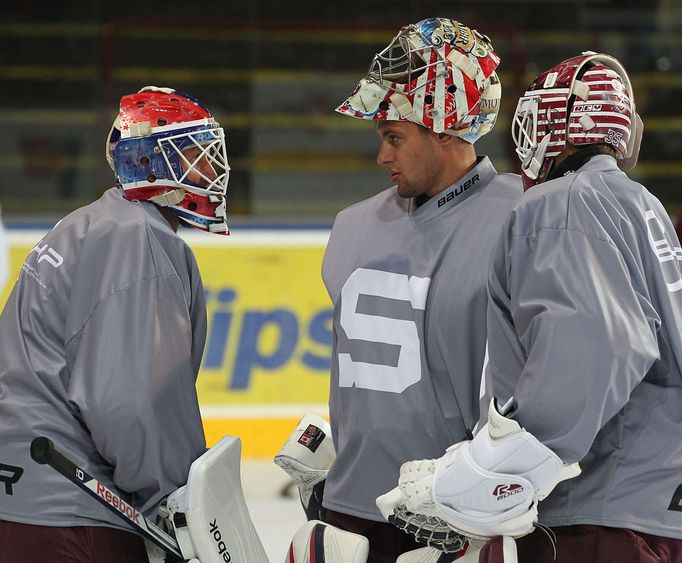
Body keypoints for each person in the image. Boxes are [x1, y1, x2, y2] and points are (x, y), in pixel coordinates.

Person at [383, 52, 682, 563]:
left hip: (601, 512)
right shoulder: (641, 204)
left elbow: (599, 345)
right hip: (657, 505)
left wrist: (496, 473)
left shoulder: (563, 201)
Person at [317, 17, 523, 563]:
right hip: (349, 514)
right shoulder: (351, 227)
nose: (382, 156)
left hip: (462, 520)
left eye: (394, 137)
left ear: (447, 128)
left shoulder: (525, 219)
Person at [0, 86, 230, 563]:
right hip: (72, 510)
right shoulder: (137, 240)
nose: (213, 169)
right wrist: (175, 502)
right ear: (151, 164)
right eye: (196, 155)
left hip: (26, 494)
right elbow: (132, 402)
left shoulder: (88, 223)